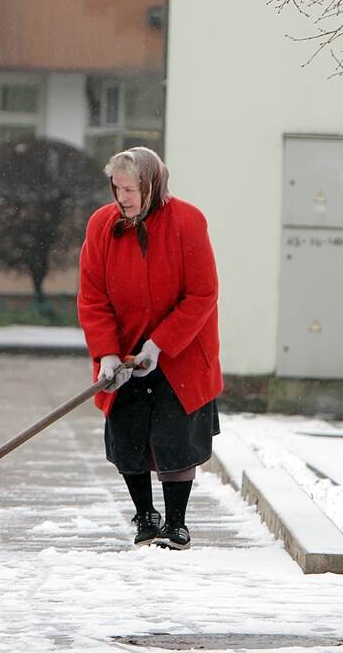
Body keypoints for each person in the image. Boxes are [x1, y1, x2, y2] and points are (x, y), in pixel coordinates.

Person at [77, 147, 222, 549]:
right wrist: (106, 351)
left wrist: (160, 344)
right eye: (117, 187)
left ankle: (176, 522)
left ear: (153, 186)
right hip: (124, 355)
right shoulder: (102, 226)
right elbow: (92, 296)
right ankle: (145, 516)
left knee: (175, 439)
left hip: (181, 353)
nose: (121, 197)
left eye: (130, 188)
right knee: (129, 439)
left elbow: (202, 293)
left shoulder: (188, 221)